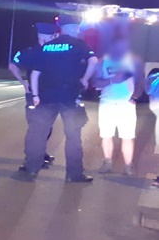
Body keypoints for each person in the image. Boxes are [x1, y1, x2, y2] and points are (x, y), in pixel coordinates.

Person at [24, 14, 99, 181]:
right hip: (69, 97)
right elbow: (93, 61)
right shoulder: (79, 44)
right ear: (73, 28)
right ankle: (74, 174)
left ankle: (31, 169)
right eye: (77, 28)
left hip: (46, 96)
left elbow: (35, 74)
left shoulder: (47, 46)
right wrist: (85, 79)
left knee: (38, 134)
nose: (78, 31)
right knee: (73, 136)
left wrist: (35, 95)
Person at [8, 22, 57, 170]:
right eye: (46, 37)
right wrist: (23, 82)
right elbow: (12, 65)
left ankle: (40, 153)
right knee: (36, 127)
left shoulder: (37, 51)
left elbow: (12, 65)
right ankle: (32, 158)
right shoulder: (33, 52)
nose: (47, 40)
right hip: (37, 95)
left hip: (47, 95)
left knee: (46, 127)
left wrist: (23, 82)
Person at [92, 37, 143, 175]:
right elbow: (95, 82)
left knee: (127, 136)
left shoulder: (134, 61)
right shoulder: (103, 61)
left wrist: (134, 97)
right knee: (106, 134)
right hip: (107, 102)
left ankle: (128, 165)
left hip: (126, 104)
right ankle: (107, 162)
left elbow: (140, 80)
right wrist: (111, 81)